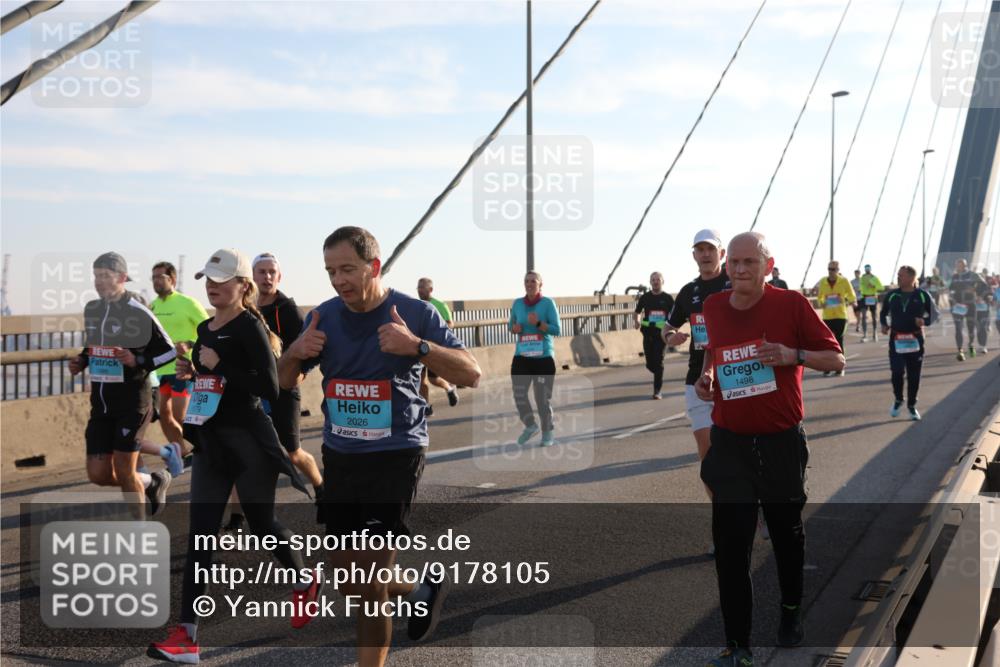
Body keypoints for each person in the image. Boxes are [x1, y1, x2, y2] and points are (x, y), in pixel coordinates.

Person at [277, 227, 482, 667]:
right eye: (330, 271)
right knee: (348, 578)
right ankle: (419, 588)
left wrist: (418, 347)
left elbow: (472, 373)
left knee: (368, 584)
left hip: (395, 454)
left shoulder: (414, 311)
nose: (338, 280)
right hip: (341, 454)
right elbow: (281, 381)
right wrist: (294, 352)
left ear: (373, 266)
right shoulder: (323, 318)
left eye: (347, 269)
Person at [149, 248, 319, 664]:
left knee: (262, 524)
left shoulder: (249, 328)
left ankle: (304, 581)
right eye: (208, 277)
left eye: (221, 278)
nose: (212, 284)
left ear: (243, 285)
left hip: (249, 442)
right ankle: (187, 636)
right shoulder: (206, 328)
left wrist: (220, 366)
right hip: (211, 442)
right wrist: (197, 372)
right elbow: (213, 379)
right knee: (201, 535)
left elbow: (269, 387)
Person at [695, 232, 844, 666]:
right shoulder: (713, 307)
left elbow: (836, 360)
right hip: (730, 444)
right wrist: (707, 379)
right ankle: (738, 643)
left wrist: (791, 353)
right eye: (734, 262)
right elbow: (715, 352)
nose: (740, 270)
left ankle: (791, 613)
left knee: (786, 535)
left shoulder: (792, 304)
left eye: (749, 262)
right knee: (730, 544)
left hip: (780, 442)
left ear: (768, 265)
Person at [69, 252, 177, 515]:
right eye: (96, 276)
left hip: (132, 403)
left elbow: (169, 350)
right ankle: (153, 481)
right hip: (102, 405)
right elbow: (95, 344)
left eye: (105, 276)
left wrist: (137, 359)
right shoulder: (93, 309)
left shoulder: (137, 311)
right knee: (99, 474)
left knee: (127, 470)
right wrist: (82, 360)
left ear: (122, 278)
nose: (99, 282)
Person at [253, 252, 324, 496]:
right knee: (247, 455)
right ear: (253, 276)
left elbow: (309, 355)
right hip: (254, 390)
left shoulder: (289, 311)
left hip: (284, 390)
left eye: (272, 272)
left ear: (279, 277)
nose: (267, 277)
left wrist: (297, 376)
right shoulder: (245, 309)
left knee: (293, 452)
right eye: (262, 272)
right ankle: (237, 518)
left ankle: (321, 488)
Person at [662, 229, 730, 479]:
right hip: (697, 379)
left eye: (711, 249)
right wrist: (671, 337)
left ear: (721, 253)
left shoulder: (735, 284)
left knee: (738, 452)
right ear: (694, 256)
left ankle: (749, 510)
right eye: (700, 250)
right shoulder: (688, 291)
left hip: (733, 373)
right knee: (708, 456)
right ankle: (722, 514)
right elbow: (668, 327)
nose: (706, 254)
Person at [150, 261, 210, 475]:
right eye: (153, 277)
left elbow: (208, 329)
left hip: (183, 368)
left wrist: (190, 344)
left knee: (180, 414)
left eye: (160, 277)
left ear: (172, 279)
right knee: (164, 417)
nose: (156, 281)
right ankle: (182, 453)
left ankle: (205, 448)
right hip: (159, 371)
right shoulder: (152, 307)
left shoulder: (188, 303)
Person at [509, 270, 562, 446]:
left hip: (543, 357)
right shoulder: (517, 304)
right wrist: (514, 328)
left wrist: (538, 324)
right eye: (527, 281)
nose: (529, 284)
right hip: (522, 356)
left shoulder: (547, 303)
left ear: (540, 284)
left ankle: (547, 433)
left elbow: (557, 330)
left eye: (533, 281)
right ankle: (531, 425)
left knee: (541, 398)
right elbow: (511, 325)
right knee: (519, 394)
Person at [880, 266, 934, 421]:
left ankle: (911, 406)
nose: (898, 278)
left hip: (915, 340)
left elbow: (933, 315)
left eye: (901, 275)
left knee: (914, 375)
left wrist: (924, 321)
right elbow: (883, 313)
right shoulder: (892, 295)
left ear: (911, 277)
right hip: (896, 339)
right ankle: (898, 399)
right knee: (897, 372)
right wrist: (884, 324)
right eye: (898, 275)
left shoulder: (923, 295)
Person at [416, 277, 460, 414]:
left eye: (423, 287)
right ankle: (426, 407)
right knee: (421, 379)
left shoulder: (440, 305)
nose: (420, 290)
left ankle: (449, 389)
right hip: (420, 346)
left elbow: (450, 323)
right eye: (418, 287)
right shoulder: (416, 305)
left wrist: (435, 331)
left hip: (435, 348)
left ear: (430, 289)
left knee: (433, 379)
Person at [634, 271, 674, 399]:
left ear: (662, 281)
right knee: (650, 363)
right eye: (653, 280)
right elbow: (637, 312)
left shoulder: (667, 298)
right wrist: (637, 321)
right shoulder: (645, 297)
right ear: (650, 282)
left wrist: (674, 329)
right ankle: (656, 370)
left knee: (659, 362)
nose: (655, 281)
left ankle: (657, 391)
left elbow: (675, 315)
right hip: (648, 334)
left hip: (662, 335)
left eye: (658, 279)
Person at [814, 260, 856, 377]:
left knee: (838, 340)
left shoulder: (843, 281)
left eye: (833, 269)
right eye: (829, 269)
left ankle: (839, 367)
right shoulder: (823, 281)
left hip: (840, 315)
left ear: (838, 270)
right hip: (827, 316)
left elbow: (851, 293)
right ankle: (827, 367)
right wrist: (822, 303)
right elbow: (820, 296)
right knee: (827, 342)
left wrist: (853, 302)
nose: (831, 272)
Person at [948, 258, 991, 360]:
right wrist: (952, 303)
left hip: (971, 305)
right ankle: (960, 351)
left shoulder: (972, 275)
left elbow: (985, 286)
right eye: (957, 265)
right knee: (958, 328)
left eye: (961, 265)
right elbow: (950, 290)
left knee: (970, 328)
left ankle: (971, 344)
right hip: (958, 306)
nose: (959, 267)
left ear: (965, 265)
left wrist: (979, 295)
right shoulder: (954, 277)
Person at [858, 264, 884, 342]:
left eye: (868, 268)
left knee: (874, 316)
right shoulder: (862, 278)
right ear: (864, 269)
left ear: (870, 269)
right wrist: (860, 290)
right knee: (863, 316)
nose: (867, 269)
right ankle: (865, 334)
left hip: (872, 297)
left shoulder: (874, 278)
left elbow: (881, 287)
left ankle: (874, 333)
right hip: (864, 297)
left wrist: (874, 285)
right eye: (866, 268)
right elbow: (860, 287)